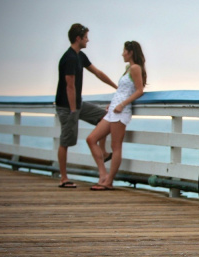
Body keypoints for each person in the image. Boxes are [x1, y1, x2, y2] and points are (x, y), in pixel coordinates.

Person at [56, 23, 118, 188]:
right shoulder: (69, 58)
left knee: (104, 118)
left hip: (77, 103)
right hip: (67, 106)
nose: (88, 40)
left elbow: (97, 73)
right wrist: (72, 111)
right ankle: (63, 178)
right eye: (86, 37)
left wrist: (116, 87)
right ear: (78, 38)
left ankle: (103, 152)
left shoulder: (80, 56)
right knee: (66, 140)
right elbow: (70, 86)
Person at [86, 41, 146, 191]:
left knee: (115, 146)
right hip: (113, 110)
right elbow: (122, 90)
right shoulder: (127, 69)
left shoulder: (135, 68)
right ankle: (103, 175)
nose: (122, 54)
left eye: (124, 51)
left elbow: (139, 90)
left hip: (121, 111)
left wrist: (122, 104)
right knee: (91, 139)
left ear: (130, 52)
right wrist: (113, 104)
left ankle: (108, 181)